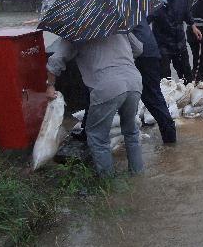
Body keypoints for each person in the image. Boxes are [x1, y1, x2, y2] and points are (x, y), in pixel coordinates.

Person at [46, 33, 144, 177]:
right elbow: (139, 49)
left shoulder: (77, 31)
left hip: (106, 86)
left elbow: (55, 61)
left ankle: (109, 183)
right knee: (131, 131)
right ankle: (138, 175)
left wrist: (50, 85)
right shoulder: (117, 24)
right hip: (133, 80)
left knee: (97, 137)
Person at [147, 0, 199, 84]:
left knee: (186, 76)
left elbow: (187, 13)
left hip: (180, 43)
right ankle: (167, 99)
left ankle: (187, 95)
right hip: (162, 45)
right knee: (165, 79)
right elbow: (146, 22)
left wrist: (193, 25)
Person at [133, 16, 177, 145]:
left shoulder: (117, 14)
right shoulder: (131, 8)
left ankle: (169, 137)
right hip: (150, 52)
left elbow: (136, 47)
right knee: (153, 95)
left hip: (143, 55)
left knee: (151, 96)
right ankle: (169, 135)